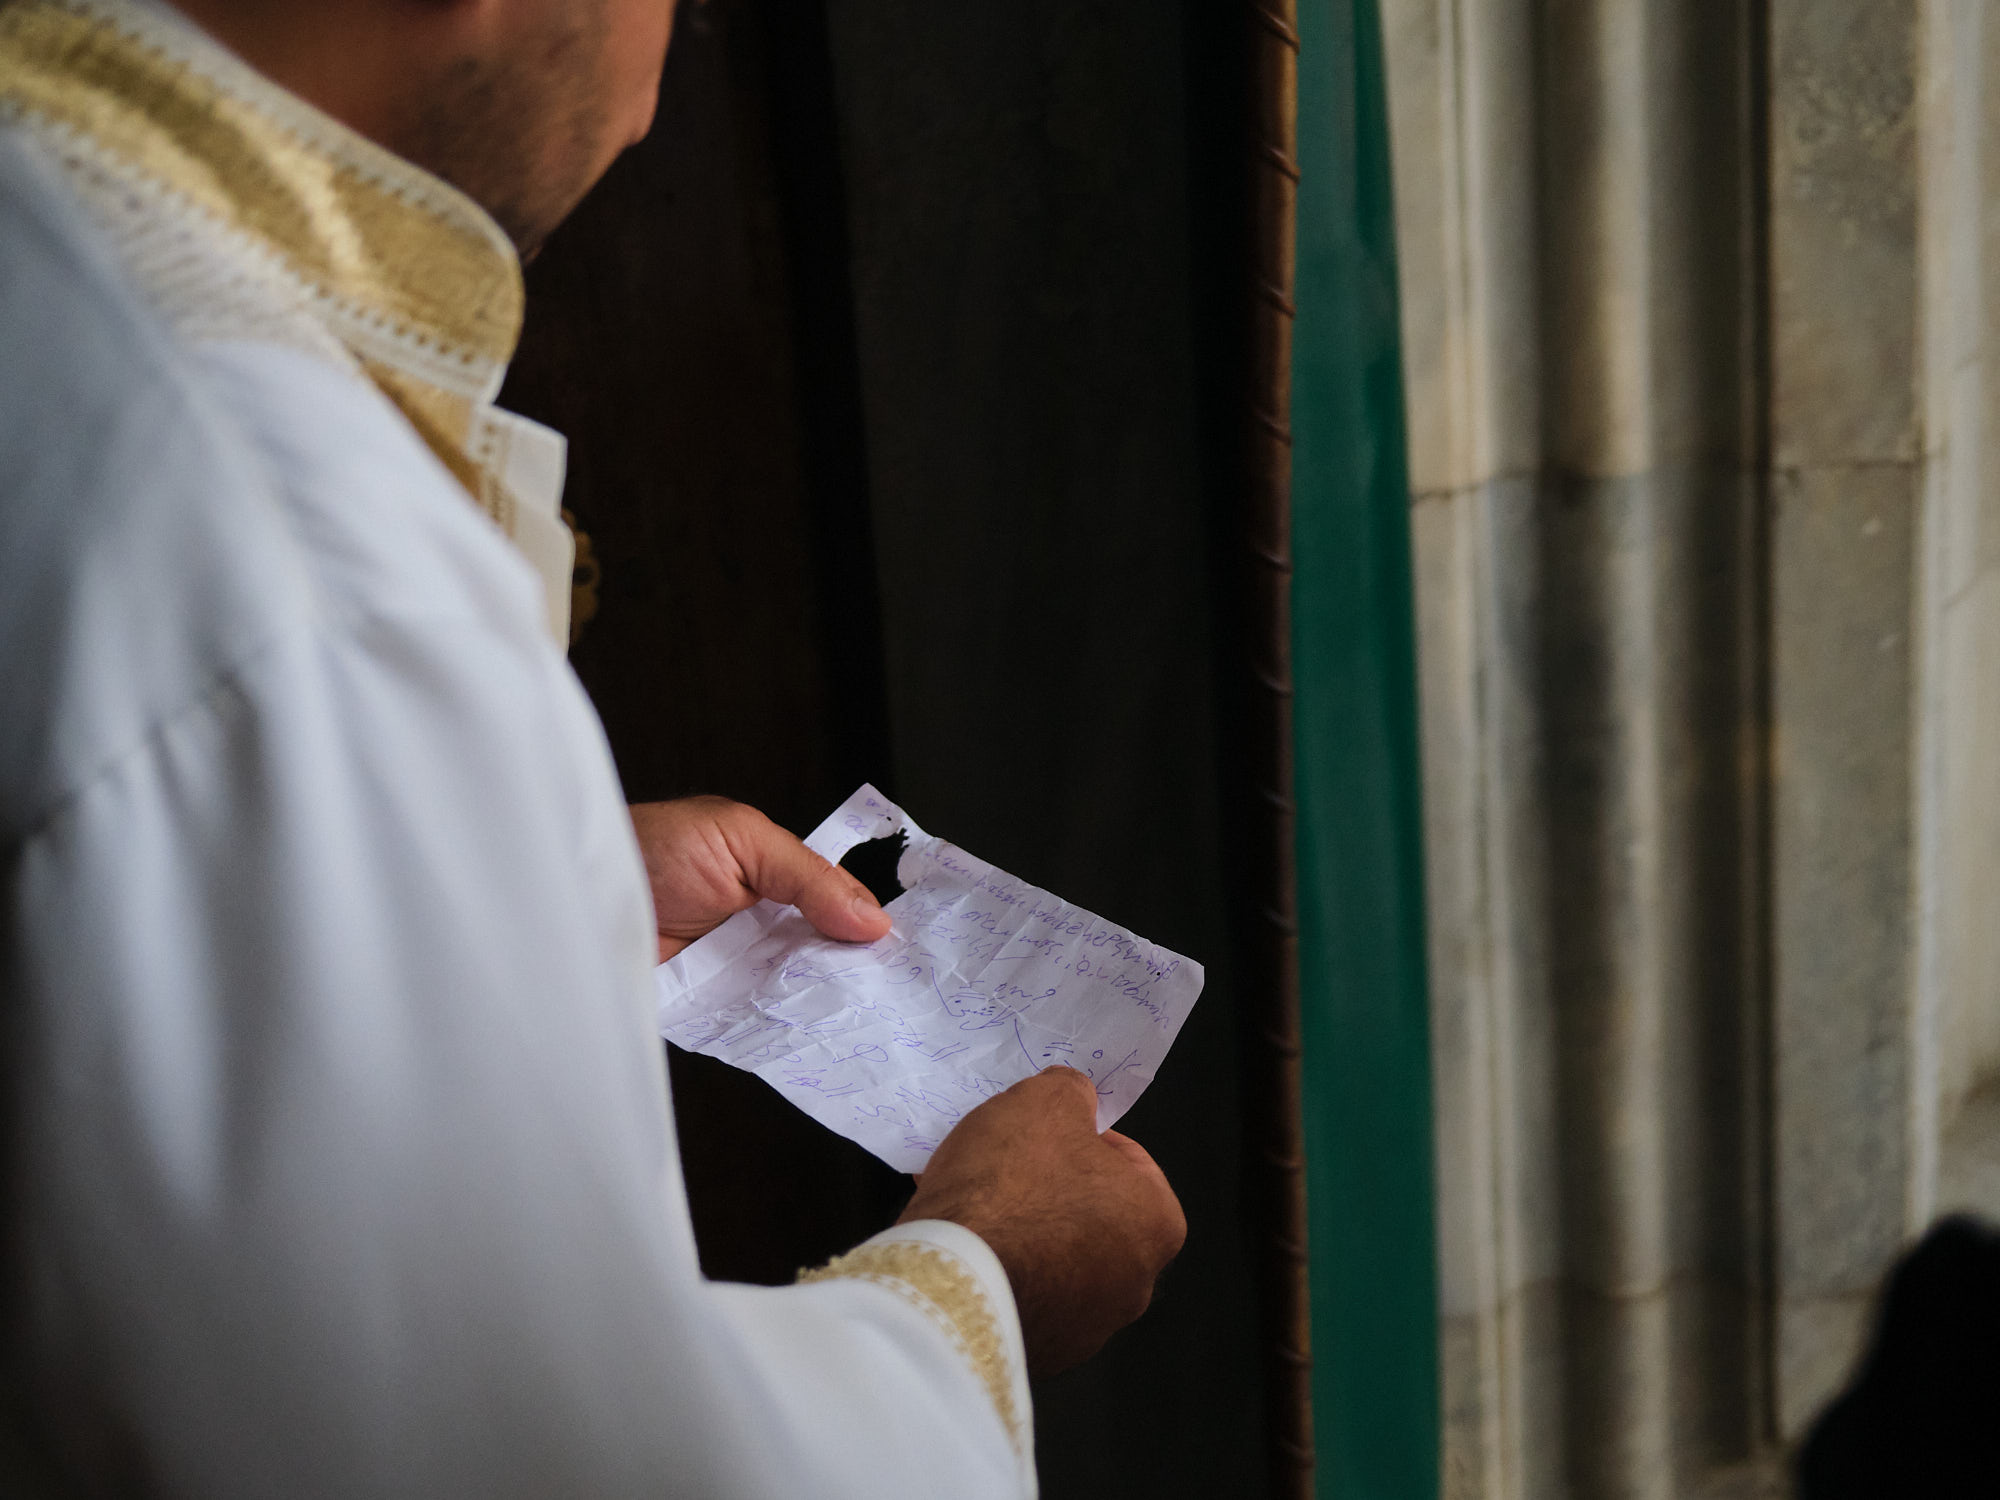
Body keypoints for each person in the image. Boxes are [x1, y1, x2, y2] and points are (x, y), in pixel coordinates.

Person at [0, 0, 1186, 1494]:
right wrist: (984, 1293)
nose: (653, 89)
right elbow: (521, 1464)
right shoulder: (304, 568)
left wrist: (496, 891)